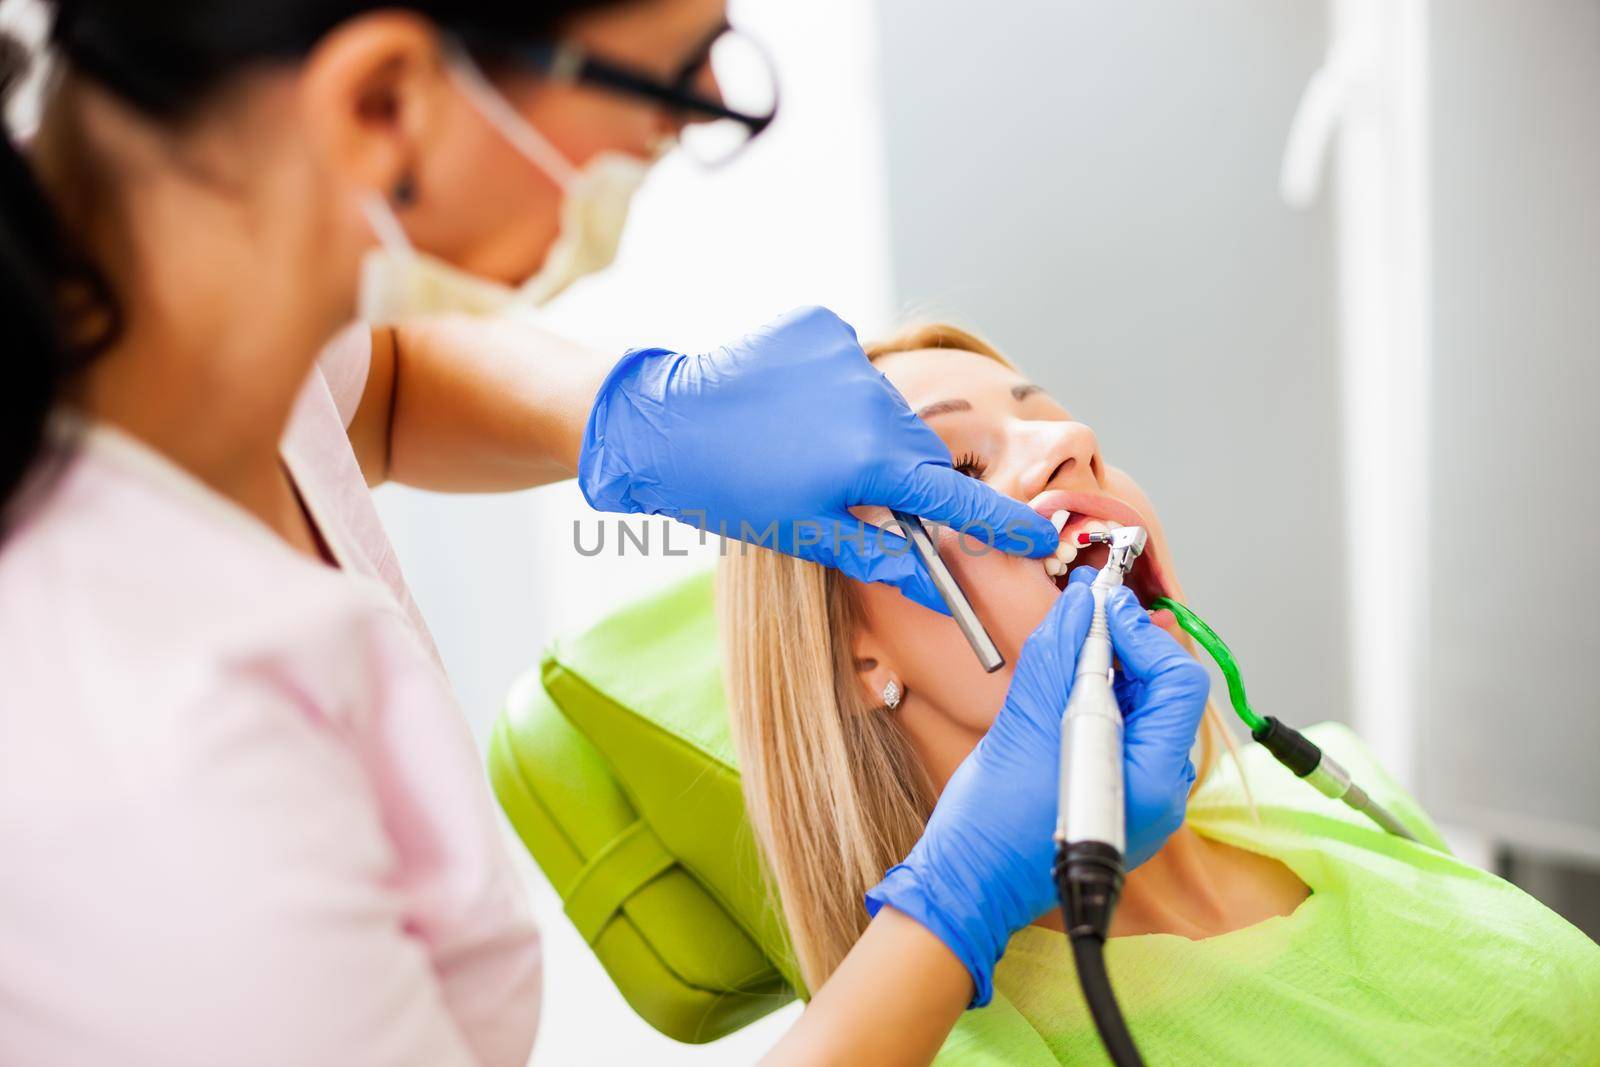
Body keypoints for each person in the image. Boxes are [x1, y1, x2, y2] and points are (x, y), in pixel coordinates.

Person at [0, 5, 1212, 1065]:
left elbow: (378, 384)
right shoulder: (137, 766)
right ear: (382, 100)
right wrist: (952, 908)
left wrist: (629, 409)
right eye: (668, 85)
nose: (1066, 447)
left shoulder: (181, 297)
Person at [720, 323, 1600, 1064]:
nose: (1073, 442)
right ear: (857, 657)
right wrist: (955, 896)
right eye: (958, 463)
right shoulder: (958, 1042)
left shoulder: (1329, 783)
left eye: (1054, 419)